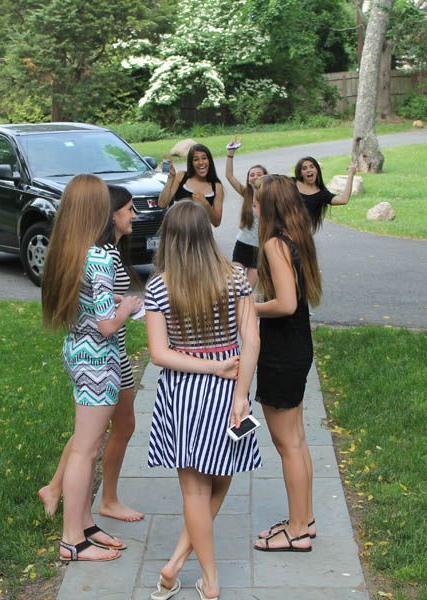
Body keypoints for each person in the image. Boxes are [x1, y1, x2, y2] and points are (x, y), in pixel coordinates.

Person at [145, 201, 260, 600]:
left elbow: (159, 354)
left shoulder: (159, 286)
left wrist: (208, 367)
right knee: (222, 475)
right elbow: (252, 340)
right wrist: (241, 393)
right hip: (228, 387)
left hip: (183, 391)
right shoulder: (236, 278)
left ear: (169, 238)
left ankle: (188, 569)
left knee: (196, 489)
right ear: (206, 233)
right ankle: (199, 575)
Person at [41, 174, 144, 562]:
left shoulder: (73, 250)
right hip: (98, 361)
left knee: (87, 445)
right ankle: (72, 542)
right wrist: (127, 306)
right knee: (85, 451)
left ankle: (85, 526)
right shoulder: (100, 257)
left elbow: (89, 305)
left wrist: (112, 302)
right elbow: (106, 326)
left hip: (79, 353)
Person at [251, 175, 323, 553]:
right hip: (296, 346)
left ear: (269, 206)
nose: (253, 206)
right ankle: (304, 519)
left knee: (287, 444)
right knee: (296, 440)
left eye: (257, 201)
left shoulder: (274, 244)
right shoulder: (296, 238)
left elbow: (286, 303)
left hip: (282, 352)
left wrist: (248, 307)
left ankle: (296, 531)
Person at [225, 137, 267, 287]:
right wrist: (230, 153)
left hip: (259, 249)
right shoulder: (246, 194)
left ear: (266, 177)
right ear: (249, 179)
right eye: (252, 174)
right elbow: (229, 176)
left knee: (248, 288)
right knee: (236, 285)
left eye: (259, 174)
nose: (255, 176)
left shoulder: (271, 199)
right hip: (242, 245)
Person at [158, 144, 225, 227]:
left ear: (209, 161)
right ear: (191, 163)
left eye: (204, 158)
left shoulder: (217, 186)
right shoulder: (181, 177)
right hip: (177, 231)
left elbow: (216, 222)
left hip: (201, 233)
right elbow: (162, 204)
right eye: (196, 159)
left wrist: (205, 204)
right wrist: (171, 178)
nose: (201, 162)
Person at [293, 156, 357, 232]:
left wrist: (351, 174)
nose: (308, 170)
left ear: (317, 170)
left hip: (300, 233)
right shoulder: (291, 183)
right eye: (304, 168)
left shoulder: (322, 194)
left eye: (312, 167)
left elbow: (343, 199)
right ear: (300, 173)